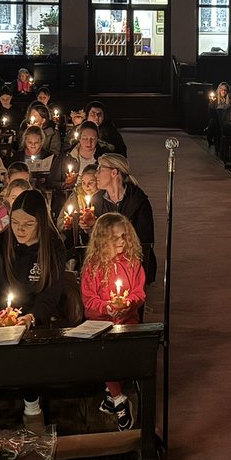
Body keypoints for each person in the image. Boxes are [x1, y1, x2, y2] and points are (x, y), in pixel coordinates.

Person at [0, 190, 65, 438]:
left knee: (29, 350)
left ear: (41, 223)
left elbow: (52, 293)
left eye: (28, 224)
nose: (20, 229)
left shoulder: (53, 248)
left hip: (33, 316)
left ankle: (32, 406)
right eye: (15, 222)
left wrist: (32, 317)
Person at [81, 213, 146, 431]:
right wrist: (106, 307)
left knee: (119, 352)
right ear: (101, 240)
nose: (121, 242)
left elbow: (139, 293)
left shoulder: (133, 263)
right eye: (114, 238)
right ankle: (119, 400)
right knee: (104, 352)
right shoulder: (93, 267)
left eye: (124, 237)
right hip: (100, 323)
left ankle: (113, 395)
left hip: (128, 321)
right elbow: (89, 301)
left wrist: (128, 303)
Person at [94, 153, 157, 284]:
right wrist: (89, 226)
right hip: (104, 264)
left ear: (114, 172)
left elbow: (145, 240)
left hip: (132, 265)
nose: (96, 174)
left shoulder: (138, 201)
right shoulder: (97, 201)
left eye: (100, 169)